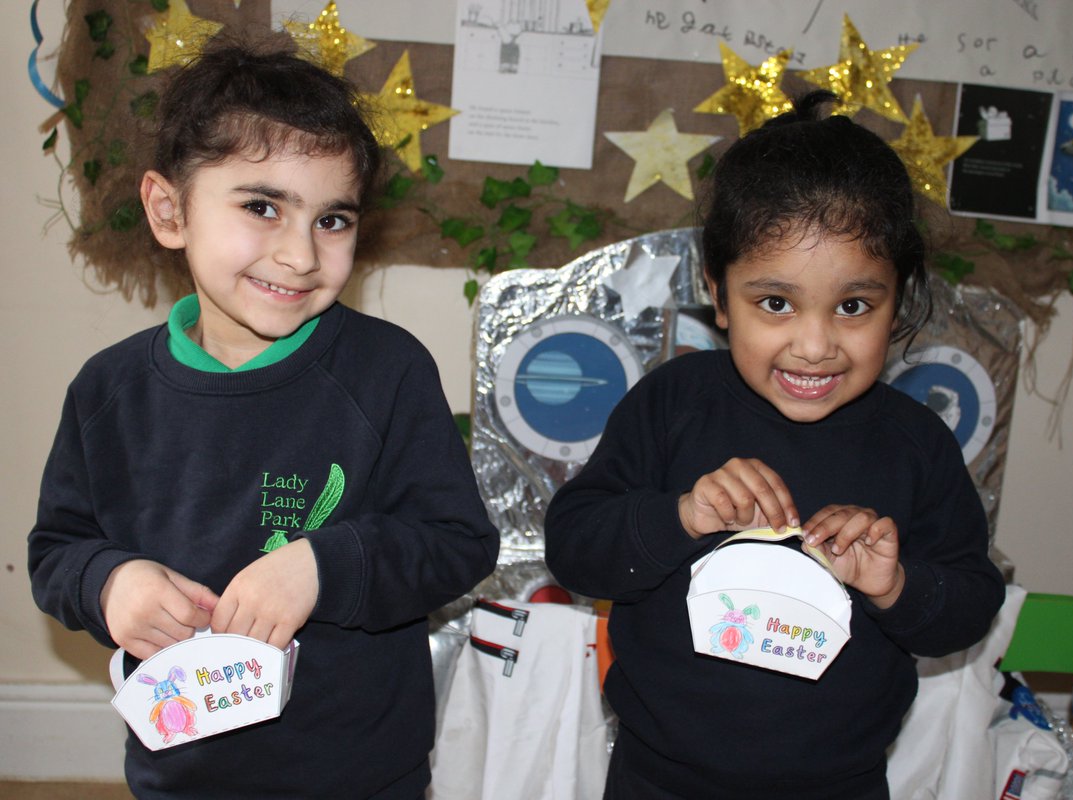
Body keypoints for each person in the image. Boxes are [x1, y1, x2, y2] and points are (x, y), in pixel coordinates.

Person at [28, 40, 499, 799]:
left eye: (333, 219)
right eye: (261, 206)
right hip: (178, 766)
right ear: (169, 210)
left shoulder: (387, 371)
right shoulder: (106, 391)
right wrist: (110, 582)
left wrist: (325, 565)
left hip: (359, 772)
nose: (301, 254)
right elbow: (57, 550)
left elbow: (457, 543)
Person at [543, 91, 1006, 799]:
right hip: (654, 780)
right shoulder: (673, 403)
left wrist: (894, 583)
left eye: (854, 306)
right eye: (775, 303)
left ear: (901, 297)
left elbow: (971, 604)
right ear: (718, 294)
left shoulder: (916, 443)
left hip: (839, 785)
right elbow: (575, 548)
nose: (815, 346)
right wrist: (684, 515)